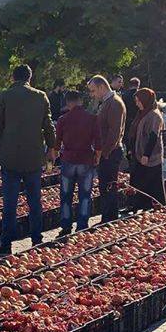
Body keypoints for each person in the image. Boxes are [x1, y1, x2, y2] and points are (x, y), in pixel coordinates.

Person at [0, 64, 56, 256]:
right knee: (35, 200)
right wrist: (51, 148)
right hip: (34, 157)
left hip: (10, 157)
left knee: (10, 202)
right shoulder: (41, 96)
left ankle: (6, 243)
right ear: (30, 78)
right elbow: (48, 126)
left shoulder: (5, 97)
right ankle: (36, 238)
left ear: (12, 78)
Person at [54, 90, 101, 235]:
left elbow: (56, 143)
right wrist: (97, 157)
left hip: (68, 160)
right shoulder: (92, 118)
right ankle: (82, 224)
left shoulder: (63, 119)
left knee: (66, 194)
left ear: (68, 103)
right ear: (81, 101)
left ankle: (66, 225)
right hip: (86, 160)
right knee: (85, 194)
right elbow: (98, 142)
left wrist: (54, 157)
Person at [88, 75, 126, 224]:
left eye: (93, 90)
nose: (92, 94)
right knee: (105, 186)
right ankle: (108, 217)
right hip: (106, 151)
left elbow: (114, 132)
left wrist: (104, 152)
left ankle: (109, 218)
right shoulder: (106, 102)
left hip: (110, 151)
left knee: (109, 186)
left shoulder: (114, 103)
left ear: (101, 87)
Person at [127, 88, 166, 210]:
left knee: (153, 183)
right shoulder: (142, 113)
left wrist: (146, 155)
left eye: (139, 101)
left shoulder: (154, 115)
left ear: (146, 100)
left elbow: (153, 136)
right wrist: (131, 149)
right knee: (139, 181)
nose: (137, 103)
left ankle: (157, 206)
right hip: (138, 154)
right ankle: (138, 205)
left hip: (150, 157)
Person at [121, 76, 141, 143]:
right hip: (138, 120)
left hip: (127, 120)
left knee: (127, 139)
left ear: (130, 85)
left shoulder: (124, 95)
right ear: (138, 85)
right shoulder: (141, 95)